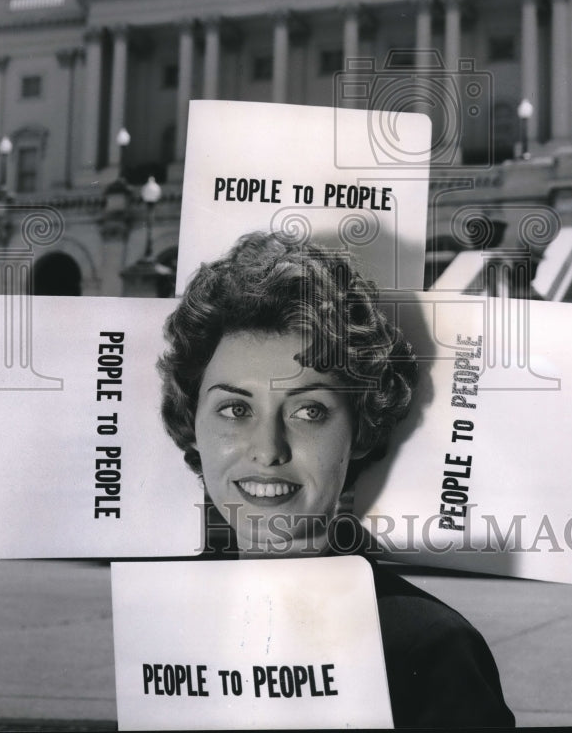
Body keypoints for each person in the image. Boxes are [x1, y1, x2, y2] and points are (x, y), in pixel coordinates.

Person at [159, 231, 515, 728]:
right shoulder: (161, 630)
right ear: (191, 422)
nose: (268, 450)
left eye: (309, 410)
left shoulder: (430, 648)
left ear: (362, 429)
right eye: (235, 408)